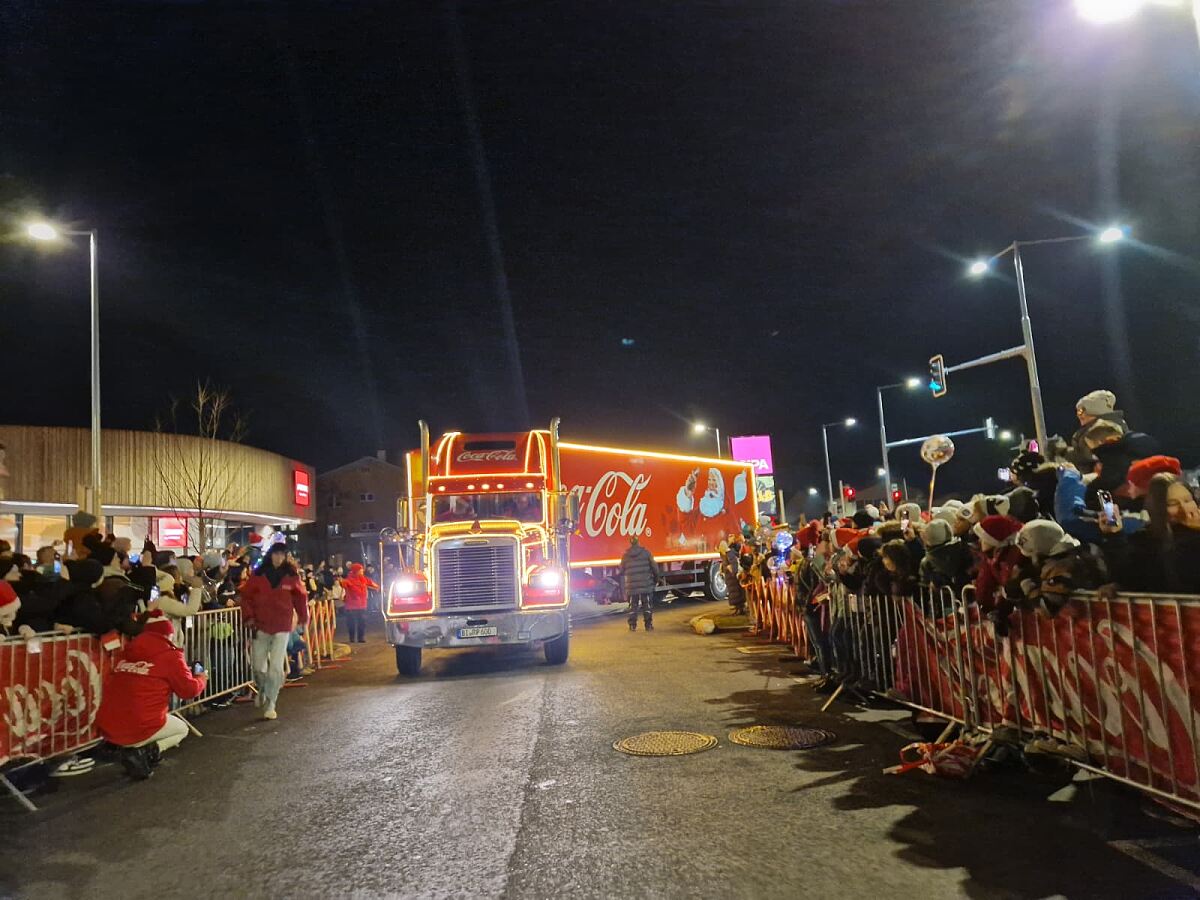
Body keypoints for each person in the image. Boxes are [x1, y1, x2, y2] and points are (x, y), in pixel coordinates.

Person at [95, 609, 207, 779]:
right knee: (181, 730)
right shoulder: (170, 656)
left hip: (108, 723)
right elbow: (189, 690)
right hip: (140, 723)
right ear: (168, 634)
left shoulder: (128, 651)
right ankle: (144, 752)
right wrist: (201, 678)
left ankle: (133, 750)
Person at [238, 544, 309, 720]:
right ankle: (262, 688)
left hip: (282, 626)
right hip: (260, 625)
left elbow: (301, 597)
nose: (279, 558)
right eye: (276, 554)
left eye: (282, 554)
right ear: (270, 555)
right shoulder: (258, 575)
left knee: (276, 668)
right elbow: (246, 596)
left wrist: (303, 618)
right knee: (257, 667)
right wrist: (249, 617)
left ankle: (271, 703)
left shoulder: (292, 576)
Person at [1101, 474, 1200, 594]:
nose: (1184, 509)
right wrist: (1114, 535)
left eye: (1188, 500)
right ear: (1157, 508)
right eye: (1172, 504)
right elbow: (1132, 579)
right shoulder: (1145, 540)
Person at [620, 536, 659, 632]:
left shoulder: (625, 555)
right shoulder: (646, 553)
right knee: (647, 605)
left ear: (631, 543)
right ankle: (648, 625)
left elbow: (621, 570)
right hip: (646, 584)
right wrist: (656, 580)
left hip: (632, 586)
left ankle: (632, 626)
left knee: (633, 606)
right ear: (638, 542)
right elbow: (655, 568)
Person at [340, 562, 379, 643]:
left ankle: (361, 638)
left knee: (362, 622)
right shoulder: (349, 580)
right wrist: (341, 582)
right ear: (356, 571)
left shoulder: (363, 578)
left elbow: (372, 583)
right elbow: (343, 584)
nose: (362, 571)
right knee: (351, 623)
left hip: (362, 605)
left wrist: (378, 587)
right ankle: (352, 638)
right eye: (360, 570)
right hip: (351, 606)